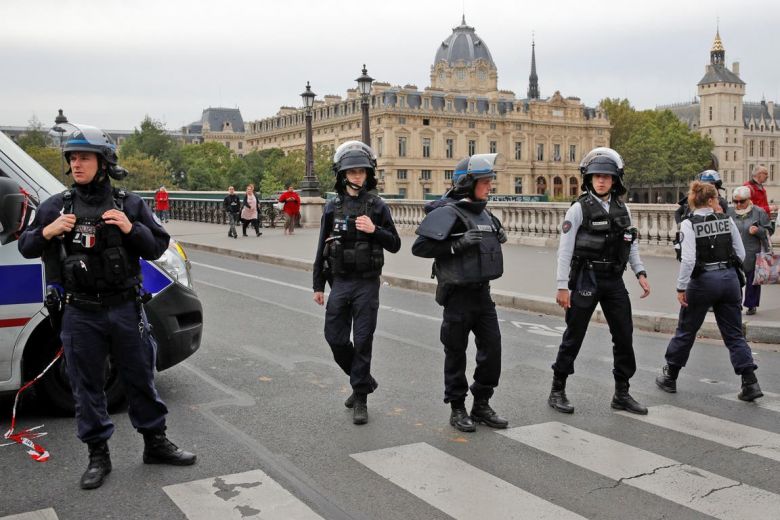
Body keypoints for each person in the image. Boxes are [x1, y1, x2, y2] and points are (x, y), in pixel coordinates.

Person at [17, 124, 195, 490]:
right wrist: (49, 232)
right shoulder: (56, 206)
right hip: (80, 312)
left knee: (140, 377)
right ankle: (98, 455)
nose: (76, 164)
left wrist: (131, 229)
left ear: (103, 161)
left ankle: (155, 443)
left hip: (126, 308)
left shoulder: (129, 203)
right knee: (86, 385)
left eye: (84, 157)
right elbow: (27, 246)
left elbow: (157, 246)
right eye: (72, 158)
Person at [550, 147, 651, 416]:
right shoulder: (578, 209)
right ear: (589, 179)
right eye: (597, 176)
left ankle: (622, 393)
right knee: (574, 335)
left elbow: (631, 243)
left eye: (607, 176)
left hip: (613, 280)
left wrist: (640, 273)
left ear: (615, 179)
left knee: (624, 336)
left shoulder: (622, 208)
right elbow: (565, 249)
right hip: (586, 277)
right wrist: (562, 286)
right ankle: (557, 389)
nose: (602, 180)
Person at [412, 154, 509, 433]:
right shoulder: (447, 212)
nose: (490, 186)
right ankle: (457, 408)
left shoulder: (486, 213)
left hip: (483, 295)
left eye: (490, 181)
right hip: (457, 297)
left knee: (492, 351)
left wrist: (498, 234)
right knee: (456, 353)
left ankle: (481, 404)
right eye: (484, 181)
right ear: (467, 183)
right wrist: (456, 246)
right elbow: (420, 248)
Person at [312, 141, 400, 425]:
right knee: (335, 338)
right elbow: (321, 248)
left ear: (369, 173)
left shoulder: (377, 206)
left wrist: (375, 230)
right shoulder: (332, 206)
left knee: (362, 341)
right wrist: (317, 285)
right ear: (342, 174)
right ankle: (363, 381)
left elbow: (396, 243)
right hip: (340, 282)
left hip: (366, 283)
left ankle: (360, 397)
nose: (357, 176)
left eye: (362, 171)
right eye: (352, 171)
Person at [655, 181, 763, 402]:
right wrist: (728, 272)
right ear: (713, 199)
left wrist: (681, 286)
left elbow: (688, 260)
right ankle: (750, 381)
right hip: (730, 279)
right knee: (734, 333)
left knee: (687, 329)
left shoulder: (689, 224)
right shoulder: (727, 219)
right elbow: (740, 253)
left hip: (703, 281)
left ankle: (670, 376)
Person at [727, 186, 772, 315]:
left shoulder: (759, 212)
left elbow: (769, 230)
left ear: (749, 199)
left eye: (742, 201)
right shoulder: (729, 212)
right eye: (736, 201)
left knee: (753, 281)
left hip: (753, 252)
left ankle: (751, 305)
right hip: (734, 253)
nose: (738, 204)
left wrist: (758, 231)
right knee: (735, 280)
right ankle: (736, 303)